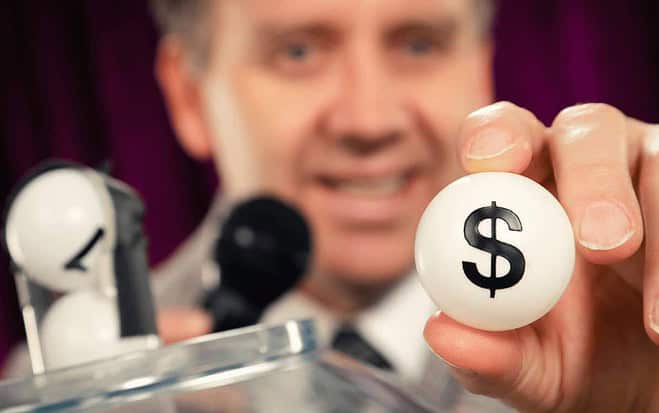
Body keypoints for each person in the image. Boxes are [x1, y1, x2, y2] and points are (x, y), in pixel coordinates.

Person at [148, 0, 659, 411]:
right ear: (188, 94)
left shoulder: (612, 321)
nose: (370, 121)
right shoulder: (116, 379)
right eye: (298, 52)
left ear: (481, 67)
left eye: (419, 44)